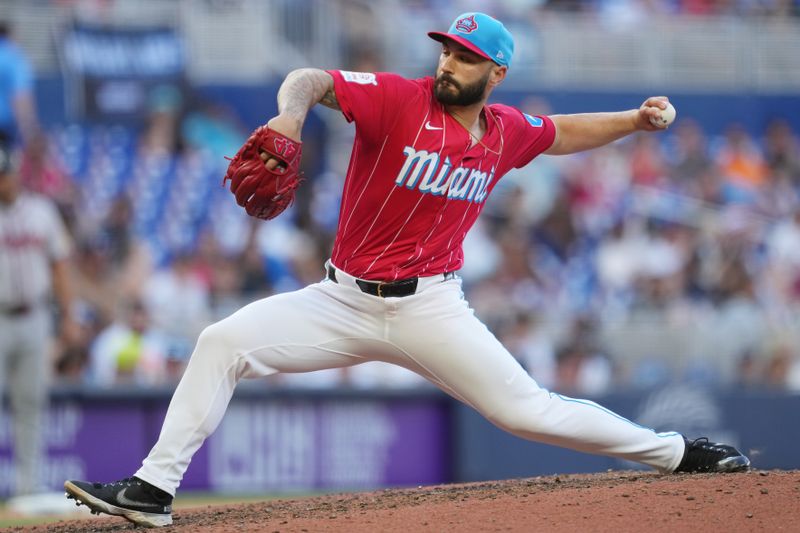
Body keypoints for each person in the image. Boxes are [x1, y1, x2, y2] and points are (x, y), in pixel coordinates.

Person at [64, 12, 750, 528]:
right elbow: (312, 79)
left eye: (467, 56)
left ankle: (675, 451)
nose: (450, 62)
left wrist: (634, 119)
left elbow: (563, 133)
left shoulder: (506, 130)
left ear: (497, 74)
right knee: (221, 341)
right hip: (341, 300)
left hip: (432, 309)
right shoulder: (398, 98)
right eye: (447, 48)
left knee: (526, 410)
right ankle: (152, 490)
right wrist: (288, 119)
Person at [0, 142, 75, 498]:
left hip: (34, 315)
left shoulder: (40, 211)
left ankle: (26, 489)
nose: (4, 182)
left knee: (31, 401)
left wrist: (68, 317)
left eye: (6, 175)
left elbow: (60, 267)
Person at [0, 21, 38, 146]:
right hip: (4, 127)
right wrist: (29, 130)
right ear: (10, 35)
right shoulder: (14, 58)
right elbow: (21, 96)